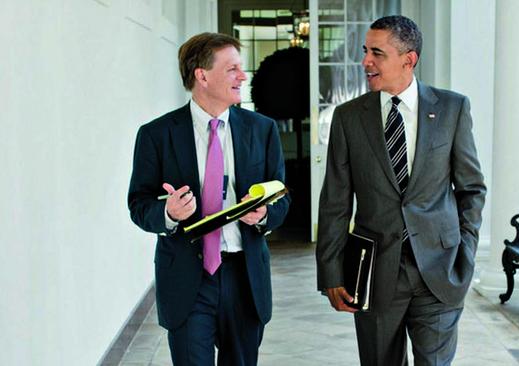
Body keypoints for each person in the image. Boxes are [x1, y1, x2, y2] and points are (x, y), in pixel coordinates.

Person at [316, 15, 486, 366]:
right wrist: (331, 272)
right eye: (366, 51)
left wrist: (465, 251)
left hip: (440, 271)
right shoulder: (349, 117)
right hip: (375, 274)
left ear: (409, 60)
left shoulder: (452, 108)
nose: (366, 61)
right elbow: (335, 201)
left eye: (377, 53)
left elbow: (471, 188)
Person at [128, 32, 289, 366]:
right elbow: (139, 204)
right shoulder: (157, 135)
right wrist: (168, 213)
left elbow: (281, 200)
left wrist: (262, 215)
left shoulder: (262, 130)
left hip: (245, 279)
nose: (242, 76)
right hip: (188, 280)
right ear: (201, 75)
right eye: (232, 69)